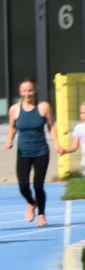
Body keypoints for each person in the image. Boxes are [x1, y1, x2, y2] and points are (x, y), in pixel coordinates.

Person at [5, 78, 62, 228]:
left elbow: (51, 126)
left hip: (41, 151)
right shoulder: (15, 109)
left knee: (38, 185)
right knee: (23, 185)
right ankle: (31, 202)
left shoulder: (43, 107)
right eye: (24, 90)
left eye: (30, 90)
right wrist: (9, 140)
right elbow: (12, 127)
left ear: (34, 91)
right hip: (23, 152)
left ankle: (42, 214)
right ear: (20, 92)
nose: (27, 93)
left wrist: (56, 143)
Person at [63, 101, 85, 174]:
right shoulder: (78, 128)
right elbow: (74, 146)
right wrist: (65, 151)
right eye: (82, 113)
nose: (83, 115)